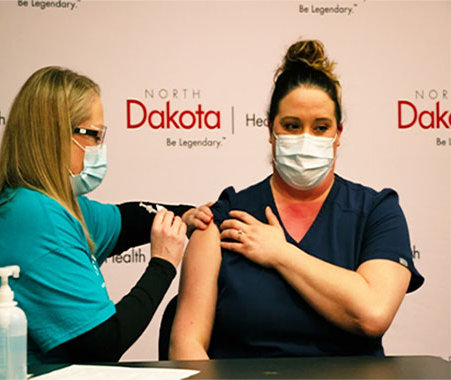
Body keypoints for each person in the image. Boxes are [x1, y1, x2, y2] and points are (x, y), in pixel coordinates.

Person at [169, 40, 424, 360]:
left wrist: (281, 254)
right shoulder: (222, 219)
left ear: (338, 134)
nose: (306, 139)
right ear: (270, 130)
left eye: (321, 127)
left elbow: (372, 314)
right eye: (291, 126)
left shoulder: (377, 212)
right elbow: (186, 345)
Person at [0, 66, 213, 367]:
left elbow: (127, 220)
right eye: (94, 135)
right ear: (55, 136)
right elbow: (102, 345)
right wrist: (163, 264)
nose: (99, 148)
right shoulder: (37, 220)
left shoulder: (56, 205)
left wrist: (185, 214)